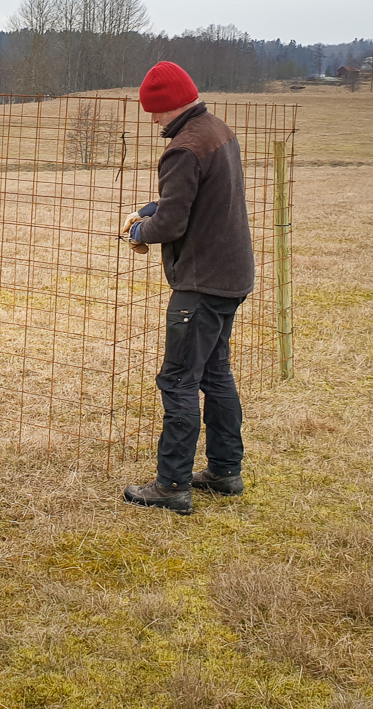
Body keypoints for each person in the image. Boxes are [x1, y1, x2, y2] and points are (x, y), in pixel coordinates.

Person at [120, 61, 255, 515]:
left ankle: (172, 484)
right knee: (215, 374)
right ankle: (224, 470)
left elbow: (173, 222)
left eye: (155, 111)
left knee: (178, 379)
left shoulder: (183, 148)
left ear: (172, 103)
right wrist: (153, 208)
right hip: (231, 276)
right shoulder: (217, 131)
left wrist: (139, 232)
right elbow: (201, 200)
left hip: (201, 282)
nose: (152, 119)